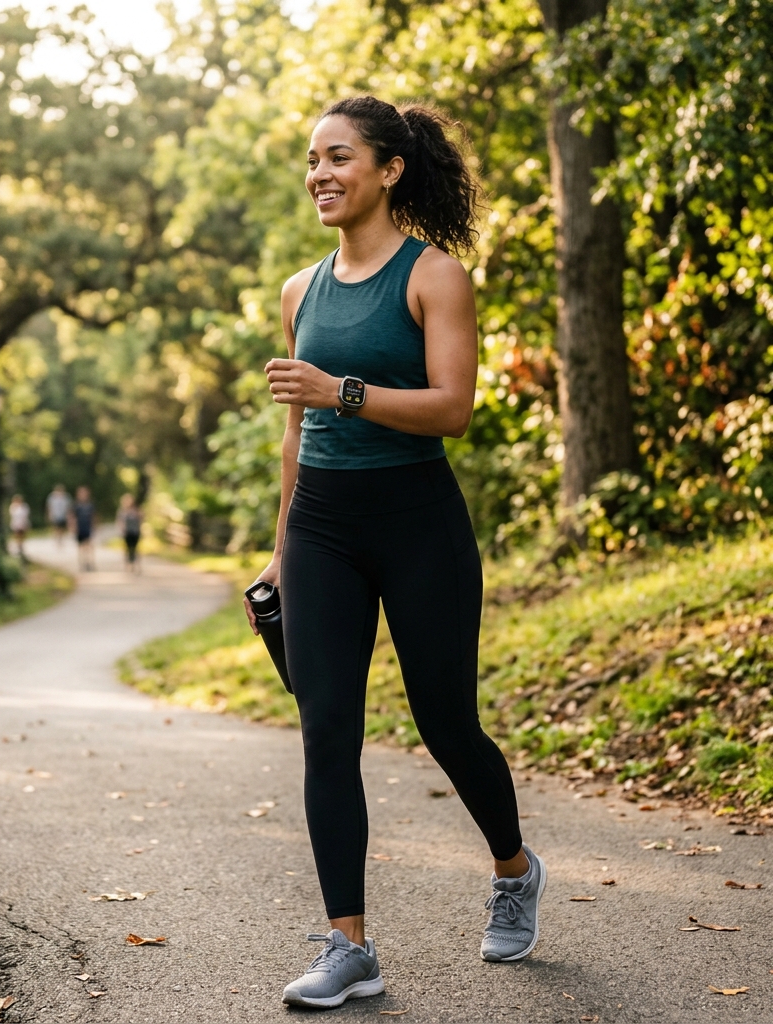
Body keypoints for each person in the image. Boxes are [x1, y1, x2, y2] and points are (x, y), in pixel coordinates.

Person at [243, 96, 546, 1010]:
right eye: (311, 159)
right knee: (326, 729)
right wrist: (281, 546)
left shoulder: (434, 277)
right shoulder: (301, 290)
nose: (321, 175)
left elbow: (453, 407)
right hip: (324, 528)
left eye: (339, 157)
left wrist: (341, 389)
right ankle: (349, 948)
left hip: (418, 523)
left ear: (389, 169)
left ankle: (514, 867)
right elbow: (297, 437)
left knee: (445, 722)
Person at [117, 493, 142, 573]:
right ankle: (128, 565)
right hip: (127, 533)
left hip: (135, 532)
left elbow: (141, 518)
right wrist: (122, 529)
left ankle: (136, 565)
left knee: (135, 549)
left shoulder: (136, 510)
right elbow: (119, 521)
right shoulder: (122, 511)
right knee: (127, 549)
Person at [73, 486, 96, 571]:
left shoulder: (90, 505)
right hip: (80, 528)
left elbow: (93, 516)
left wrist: (94, 526)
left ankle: (89, 562)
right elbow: (72, 517)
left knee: (89, 546)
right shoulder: (76, 505)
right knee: (81, 547)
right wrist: (73, 527)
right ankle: (82, 563)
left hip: (88, 528)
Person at [8, 494, 31, 561]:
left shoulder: (24, 507)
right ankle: (19, 546)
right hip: (16, 524)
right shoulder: (13, 507)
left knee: (23, 536)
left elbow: (26, 515)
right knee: (17, 535)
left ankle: (21, 546)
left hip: (23, 523)